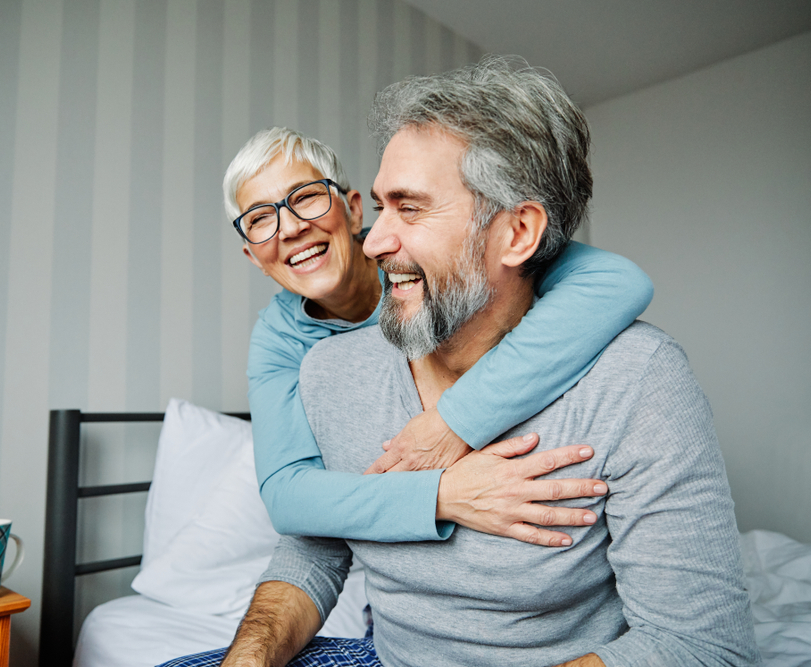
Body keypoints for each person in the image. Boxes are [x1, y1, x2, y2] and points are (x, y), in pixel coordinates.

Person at [162, 57, 759, 667]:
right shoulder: (319, 365)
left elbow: (704, 647)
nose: (374, 243)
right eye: (261, 219)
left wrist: (455, 420)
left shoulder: (637, 377)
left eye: (411, 208)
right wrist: (251, 656)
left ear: (519, 235)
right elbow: (312, 541)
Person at [226, 125, 653, 546]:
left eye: (306, 197)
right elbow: (286, 495)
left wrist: (454, 421)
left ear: (354, 209)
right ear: (253, 257)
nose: (289, 228)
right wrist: (444, 495)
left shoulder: (432, 255)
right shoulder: (279, 339)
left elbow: (617, 282)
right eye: (260, 218)